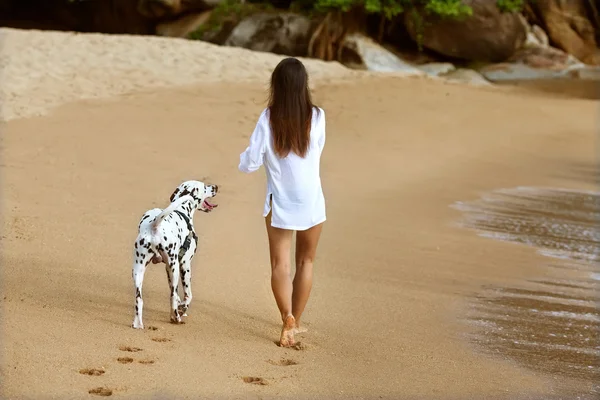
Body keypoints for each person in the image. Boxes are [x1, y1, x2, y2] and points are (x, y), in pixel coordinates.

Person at [238, 57, 326, 347]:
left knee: (280, 265)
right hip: (311, 200)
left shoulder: (269, 118)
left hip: (281, 201)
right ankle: (296, 323)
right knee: (306, 261)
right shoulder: (318, 116)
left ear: (276, 86)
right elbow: (317, 151)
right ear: (304, 86)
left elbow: (250, 163)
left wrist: (252, 159)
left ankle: (286, 317)